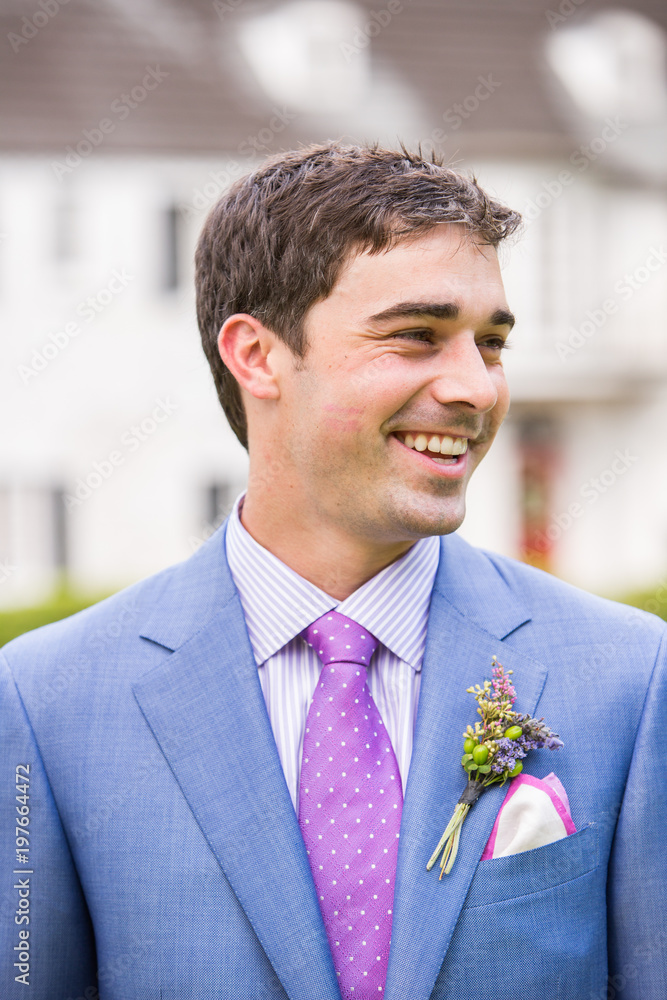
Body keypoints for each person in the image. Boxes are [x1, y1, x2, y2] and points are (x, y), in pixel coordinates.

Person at [1, 142, 665, 1000]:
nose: (475, 388)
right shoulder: (46, 704)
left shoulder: (631, 680)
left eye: (490, 344)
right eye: (416, 336)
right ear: (256, 355)